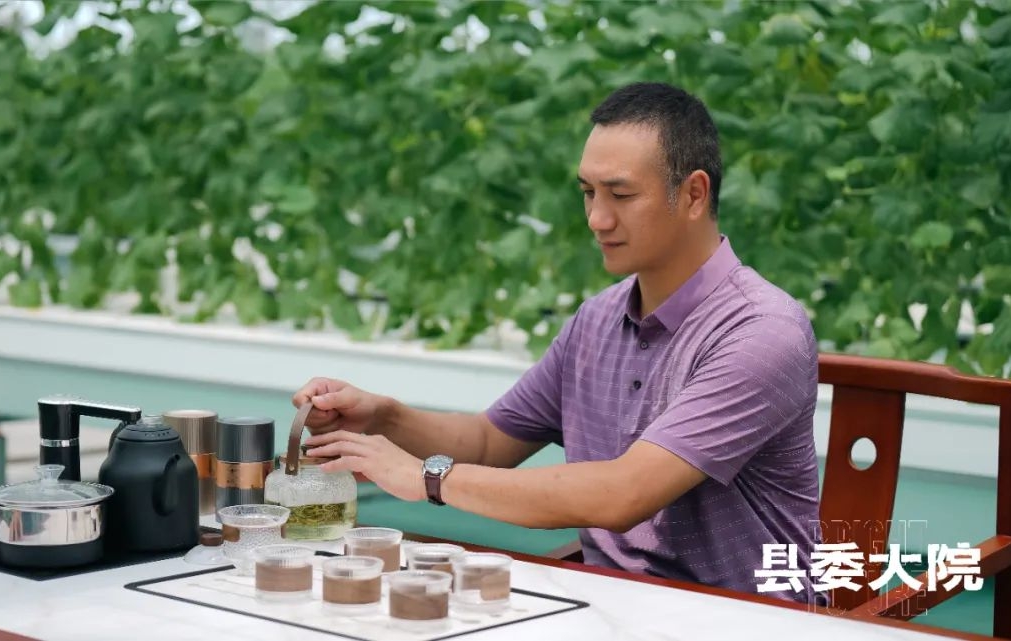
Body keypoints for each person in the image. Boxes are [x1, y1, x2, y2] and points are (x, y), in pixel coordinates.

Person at [293, 82, 821, 603]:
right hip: (610, 605)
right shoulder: (597, 320)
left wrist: (425, 478)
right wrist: (383, 417)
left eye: (621, 195)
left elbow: (623, 495)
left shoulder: (762, 331)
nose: (597, 219)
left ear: (693, 194)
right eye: (588, 193)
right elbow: (487, 443)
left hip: (747, 618)